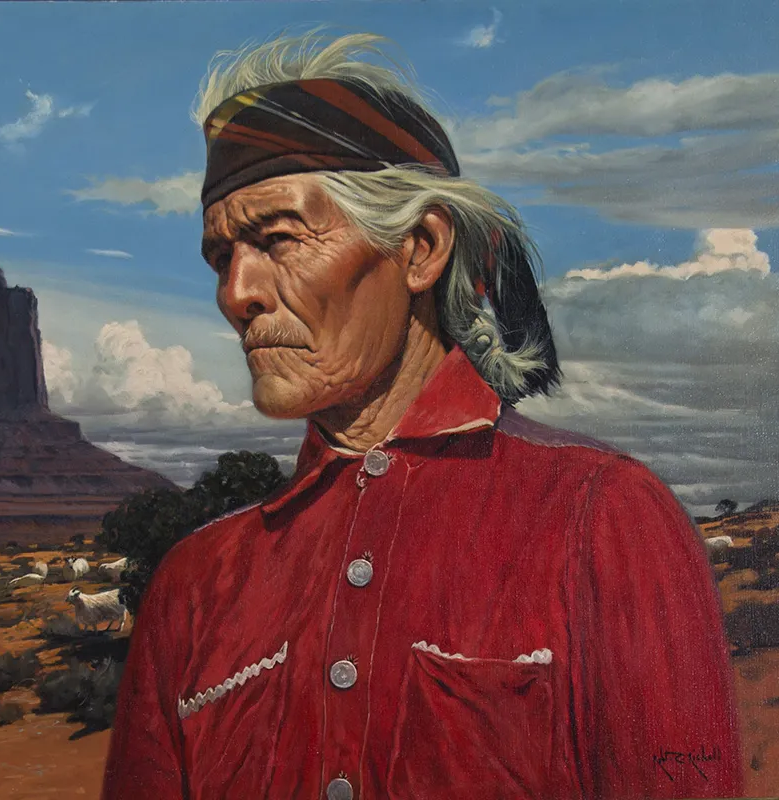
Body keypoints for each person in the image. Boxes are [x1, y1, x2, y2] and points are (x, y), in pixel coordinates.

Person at [100, 32, 743, 800]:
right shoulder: (192, 588)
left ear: (420, 249)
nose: (236, 294)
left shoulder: (603, 517)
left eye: (279, 240)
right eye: (220, 258)